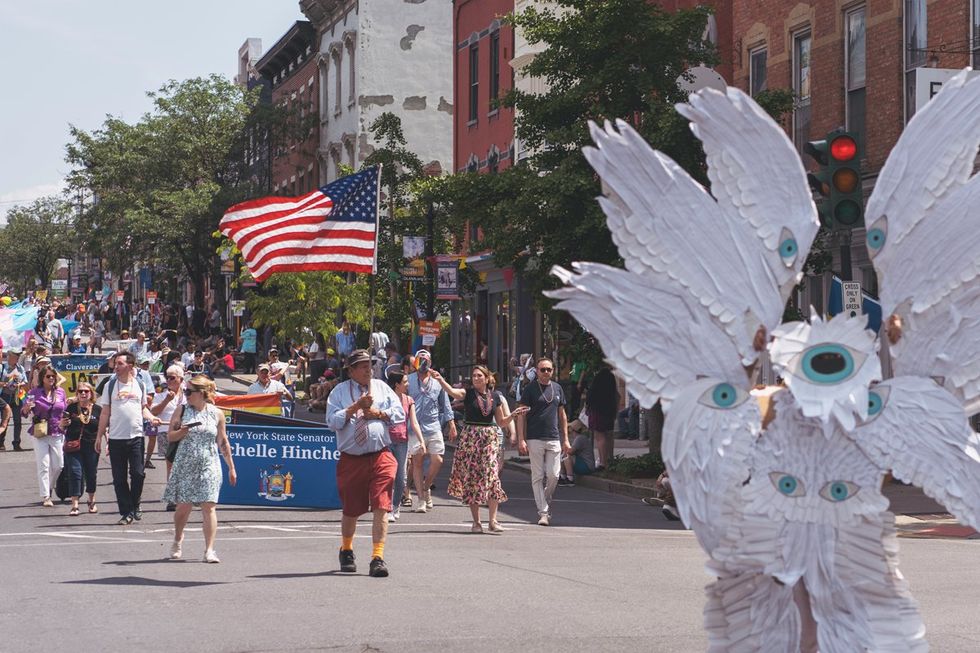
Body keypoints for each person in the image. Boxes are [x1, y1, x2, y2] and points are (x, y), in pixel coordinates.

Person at [325, 349, 405, 578]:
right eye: (362, 366)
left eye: (370, 365)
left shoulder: (381, 387)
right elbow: (332, 422)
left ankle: (377, 557)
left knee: (382, 505)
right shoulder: (339, 393)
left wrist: (379, 413)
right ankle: (347, 549)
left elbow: (399, 414)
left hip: (381, 454)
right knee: (351, 509)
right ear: (351, 371)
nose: (368, 369)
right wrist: (355, 408)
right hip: (352, 459)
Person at [442, 365, 527, 533]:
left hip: (489, 438)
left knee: (492, 476)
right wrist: (440, 380)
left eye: (479, 376)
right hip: (471, 439)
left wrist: (514, 414)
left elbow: (501, 422)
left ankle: (493, 520)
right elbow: (453, 392)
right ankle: (477, 522)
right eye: (474, 376)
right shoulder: (468, 393)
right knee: (473, 478)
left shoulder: (495, 396)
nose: (476, 378)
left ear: (487, 379)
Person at [164, 375, 237, 563]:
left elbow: (223, 442)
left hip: (209, 463)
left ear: (202, 393)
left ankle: (209, 550)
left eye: (190, 391)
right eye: (185, 391)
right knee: (183, 506)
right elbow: (170, 437)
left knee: (209, 506)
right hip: (186, 463)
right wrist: (183, 431)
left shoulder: (217, 413)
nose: (186, 394)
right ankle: (178, 540)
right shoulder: (182, 410)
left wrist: (231, 467)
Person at [96, 351, 162, 525]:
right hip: (117, 438)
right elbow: (105, 412)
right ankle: (126, 512)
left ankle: (135, 503)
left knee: (138, 474)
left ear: (130, 366)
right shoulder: (109, 385)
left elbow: (144, 409)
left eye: (119, 364)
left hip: (136, 436)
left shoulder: (139, 384)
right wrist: (99, 437)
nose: (115, 367)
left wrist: (151, 418)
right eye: (115, 364)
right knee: (119, 478)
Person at [516, 357, 570, 526]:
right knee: (537, 476)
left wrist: (566, 439)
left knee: (554, 475)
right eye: (542, 369)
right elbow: (521, 416)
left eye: (549, 369)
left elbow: (562, 415)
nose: (546, 372)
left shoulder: (558, 388)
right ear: (537, 371)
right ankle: (543, 513)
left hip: (553, 437)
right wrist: (521, 439)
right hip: (534, 438)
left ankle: (544, 499)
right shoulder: (530, 389)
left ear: (552, 371)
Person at [407, 350, 457, 510]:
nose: (423, 363)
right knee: (417, 462)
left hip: (433, 425)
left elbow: (445, 404)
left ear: (430, 362)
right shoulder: (408, 380)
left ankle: (426, 486)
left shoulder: (437, 382)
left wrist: (451, 424)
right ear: (415, 362)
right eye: (420, 360)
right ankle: (421, 499)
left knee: (438, 460)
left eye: (426, 360)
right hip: (415, 428)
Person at [23, 364, 67, 507]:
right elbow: (24, 413)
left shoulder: (60, 392)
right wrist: (26, 408)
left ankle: (49, 486)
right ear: (42, 378)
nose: (51, 379)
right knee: (44, 465)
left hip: (57, 431)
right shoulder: (34, 392)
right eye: (48, 376)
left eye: (53, 376)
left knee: (59, 465)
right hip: (40, 431)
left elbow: (64, 409)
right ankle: (46, 496)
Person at [385, 369, 425, 520]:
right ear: (397, 384)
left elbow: (414, 422)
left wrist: (421, 440)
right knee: (387, 476)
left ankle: (396, 506)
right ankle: (387, 508)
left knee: (401, 478)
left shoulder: (409, 400)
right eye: (405, 382)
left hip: (402, 442)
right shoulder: (386, 399)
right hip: (386, 441)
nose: (408, 384)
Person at [59, 382, 102, 516]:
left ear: (91, 394)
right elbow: (61, 427)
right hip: (73, 445)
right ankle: (75, 504)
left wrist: (106, 442)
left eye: (86, 391)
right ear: (77, 394)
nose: (83, 394)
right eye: (80, 391)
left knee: (91, 473)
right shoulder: (71, 408)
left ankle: (91, 500)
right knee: (75, 473)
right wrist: (62, 424)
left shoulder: (98, 409)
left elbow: (104, 427)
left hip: (91, 445)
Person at [151, 365, 187, 511]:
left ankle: (183, 495)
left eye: (173, 377)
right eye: (168, 377)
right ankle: (172, 497)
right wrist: (166, 400)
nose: (169, 380)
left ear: (181, 379)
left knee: (184, 464)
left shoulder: (188, 394)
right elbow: (153, 411)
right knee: (171, 464)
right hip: (166, 431)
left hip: (185, 431)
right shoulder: (161, 393)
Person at [584, 367, 619, 470]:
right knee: (609, 436)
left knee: (600, 438)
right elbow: (618, 397)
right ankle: (610, 459)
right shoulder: (611, 388)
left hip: (597, 413)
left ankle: (603, 462)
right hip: (609, 412)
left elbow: (588, 400)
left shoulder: (595, 389)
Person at [0, 348, 27, 451]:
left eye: (18, 356)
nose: (17, 358)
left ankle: (16, 443)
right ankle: (1, 442)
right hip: (5, 396)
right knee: (5, 419)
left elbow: (25, 381)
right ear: (10, 357)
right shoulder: (2, 368)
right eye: (15, 356)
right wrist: (5, 383)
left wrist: (19, 384)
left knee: (18, 420)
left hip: (17, 396)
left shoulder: (20, 368)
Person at [560, 416, 595, 486]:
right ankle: (562, 477)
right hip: (585, 464)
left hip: (586, 466)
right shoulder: (580, 438)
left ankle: (570, 479)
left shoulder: (579, 438)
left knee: (566, 456)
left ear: (572, 429)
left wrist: (564, 448)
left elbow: (570, 452)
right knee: (564, 455)